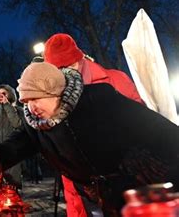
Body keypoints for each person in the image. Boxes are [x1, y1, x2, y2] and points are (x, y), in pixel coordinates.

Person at [0, 62, 179, 216]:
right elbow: (11, 147)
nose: (30, 108)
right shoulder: (36, 125)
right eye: (25, 102)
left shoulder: (99, 101)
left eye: (36, 99)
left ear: (56, 93)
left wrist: (149, 182)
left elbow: (158, 131)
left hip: (151, 191)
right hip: (106, 200)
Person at [44, 33, 144, 216]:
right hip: (81, 192)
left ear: (79, 59)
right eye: (57, 70)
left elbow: (143, 126)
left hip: (124, 182)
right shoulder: (53, 99)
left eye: (68, 66)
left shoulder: (115, 80)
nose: (64, 74)